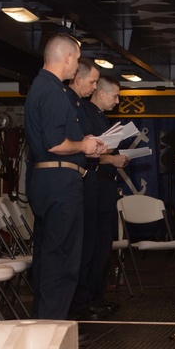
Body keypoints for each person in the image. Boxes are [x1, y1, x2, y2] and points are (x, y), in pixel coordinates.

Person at [24, 34, 105, 320]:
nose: (76, 69)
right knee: (63, 259)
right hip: (60, 184)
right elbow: (54, 143)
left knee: (49, 257)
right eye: (76, 60)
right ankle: (53, 328)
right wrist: (83, 145)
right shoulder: (53, 90)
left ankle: (45, 322)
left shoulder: (40, 87)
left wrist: (85, 146)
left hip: (46, 182)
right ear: (68, 58)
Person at [71, 70, 130, 320]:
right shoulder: (84, 113)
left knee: (103, 245)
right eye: (115, 96)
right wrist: (112, 158)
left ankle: (97, 296)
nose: (117, 102)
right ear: (102, 93)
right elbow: (87, 152)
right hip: (94, 185)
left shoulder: (100, 117)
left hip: (104, 186)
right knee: (92, 246)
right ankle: (85, 301)